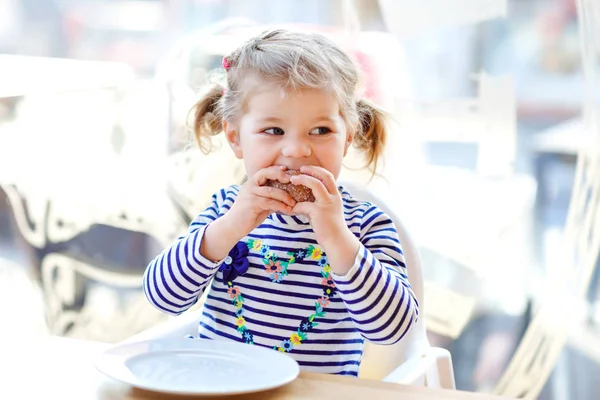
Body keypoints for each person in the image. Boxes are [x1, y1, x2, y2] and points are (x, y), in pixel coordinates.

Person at [143, 29, 418, 377]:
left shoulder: (365, 224)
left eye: (320, 131)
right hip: (223, 388)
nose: (297, 150)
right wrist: (226, 230)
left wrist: (337, 238)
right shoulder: (225, 211)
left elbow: (394, 330)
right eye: (273, 131)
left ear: (347, 137)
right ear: (235, 137)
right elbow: (162, 297)